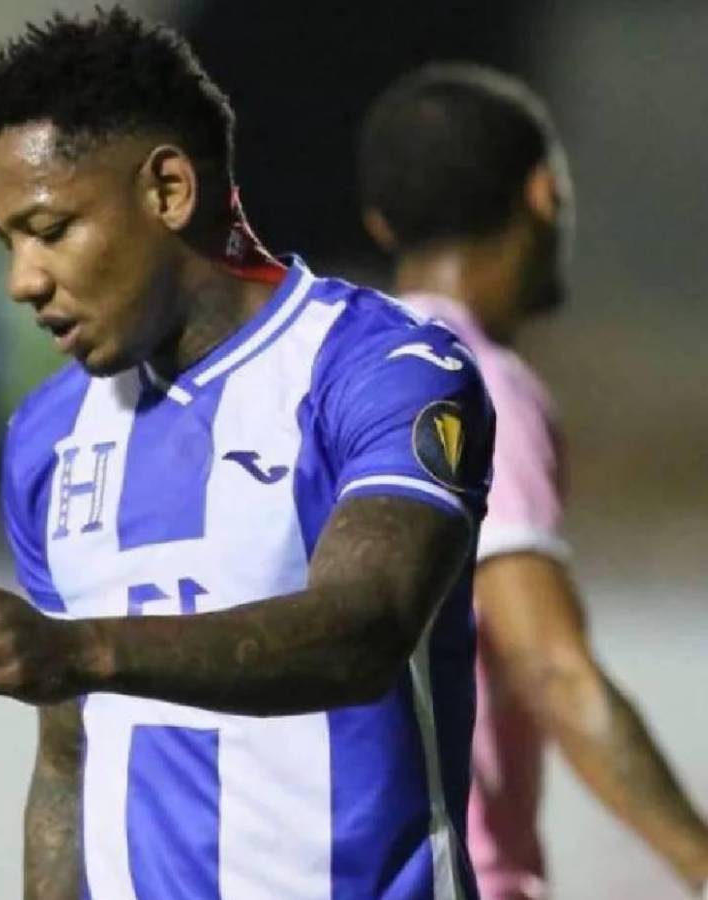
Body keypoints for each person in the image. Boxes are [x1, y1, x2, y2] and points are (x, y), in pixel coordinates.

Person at [0, 9, 494, 898]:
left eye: (51, 229)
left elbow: (366, 629)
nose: (23, 281)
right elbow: (67, 759)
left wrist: (83, 649)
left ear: (168, 189)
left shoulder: (379, 369)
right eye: (7, 244)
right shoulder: (48, 437)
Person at [358, 63, 708, 899]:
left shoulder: (332, 377)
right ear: (545, 195)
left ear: (381, 224)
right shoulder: (471, 384)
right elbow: (546, 664)